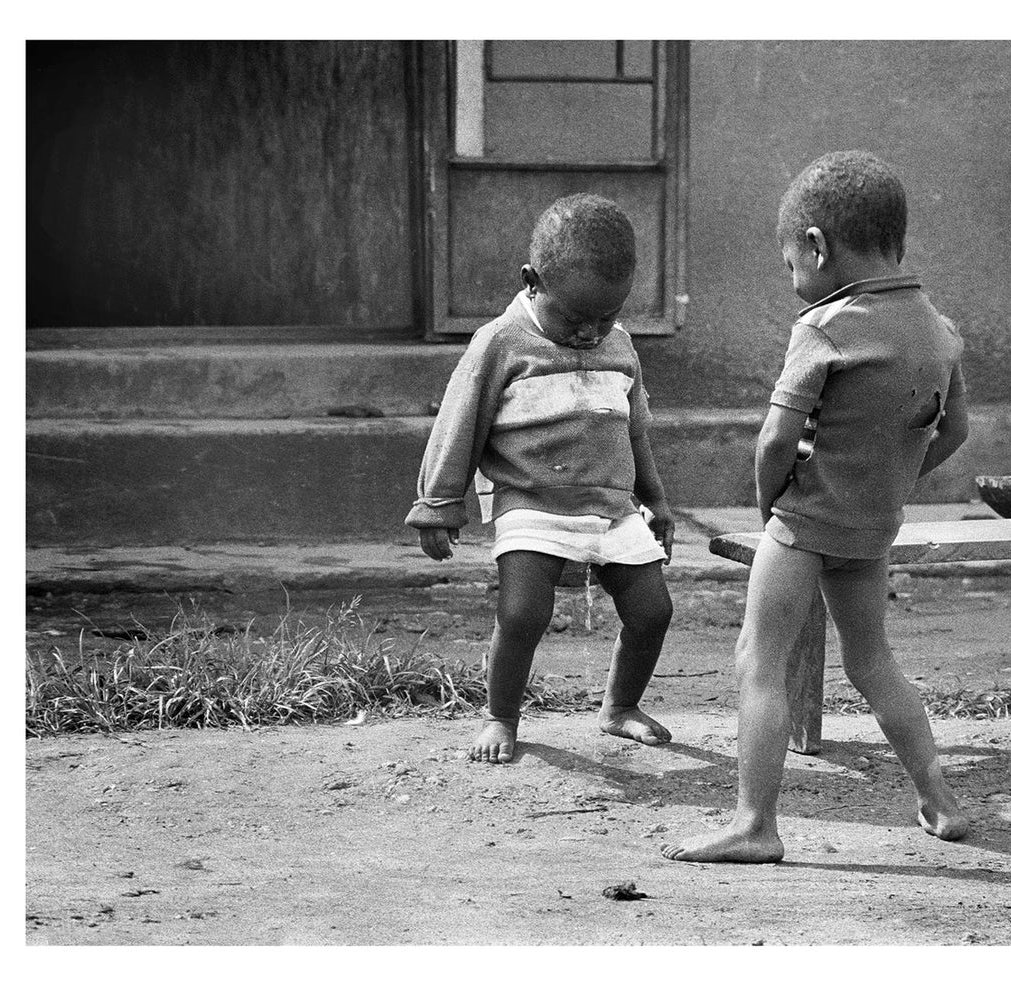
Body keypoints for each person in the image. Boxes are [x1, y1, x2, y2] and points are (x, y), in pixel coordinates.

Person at [663, 151, 971, 863]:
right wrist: (890, 484)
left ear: (815, 244)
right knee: (873, 661)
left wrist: (774, 502)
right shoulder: (938, 328)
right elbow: (951, 430)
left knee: (759, 661)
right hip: (871, 526)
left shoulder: (825, 326)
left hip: (802, 525)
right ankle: (938, 798)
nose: (793, 281)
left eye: (789, 265)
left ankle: (754, 823)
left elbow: (775, 439)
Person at [406, 193, 676, 765]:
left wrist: (655, 499)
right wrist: (437, 502)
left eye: (606, 316)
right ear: (532, 280)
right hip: (529, 500)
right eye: (575, 318)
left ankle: (619, 706)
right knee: (524, 613)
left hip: (612, 505)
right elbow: (459, 422)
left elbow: (634, 429)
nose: (590, 332)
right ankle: (501, 715)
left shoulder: (619, 344)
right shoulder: (500, 344)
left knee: (653, 611)